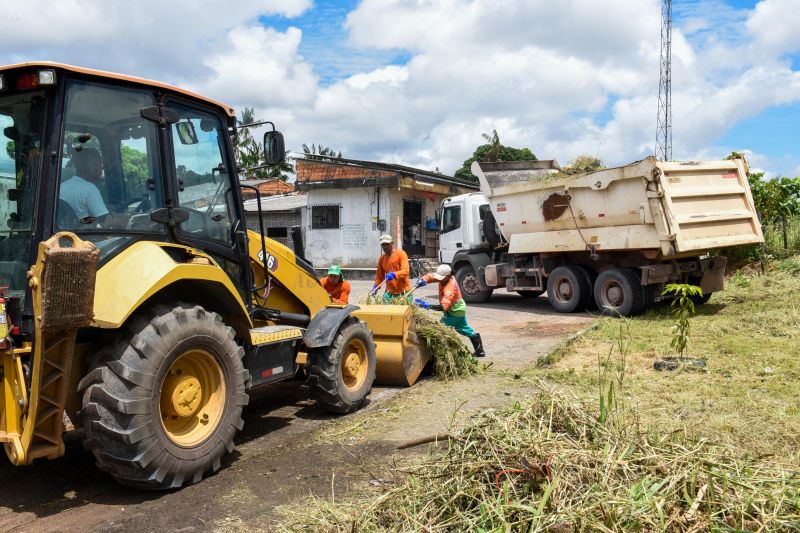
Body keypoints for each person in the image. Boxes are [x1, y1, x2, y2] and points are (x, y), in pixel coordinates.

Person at [414, 264, 485, 357]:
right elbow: (431, 276)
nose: (439, 279)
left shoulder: (450, 287)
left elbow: (444, 307)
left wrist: (427, 305)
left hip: (455, 311)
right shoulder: (443, 277)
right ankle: (480, 351)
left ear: (448, 276)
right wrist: (423, 280)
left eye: (441, 278)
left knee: (439, 328)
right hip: (459, 308)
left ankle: (442, 354)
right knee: (464, 329)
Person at [58, 148, 109, 226]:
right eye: (100, 163)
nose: (102, 167)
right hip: (83, 236)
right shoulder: (90, 189)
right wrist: (123, 218)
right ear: (91, 165)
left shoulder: (62, 186)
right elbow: (105, 222)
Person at [373, 234, 410, 301]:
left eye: (387, 244)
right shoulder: (382, 258)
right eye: (383, 245)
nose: (385, 247)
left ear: (392, 243)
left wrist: (394, 274)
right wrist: (376, 286)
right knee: (384, 310)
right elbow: (379, 276)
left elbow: (406, 271)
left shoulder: (401, 254)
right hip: (389, 291)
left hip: (404, 291)